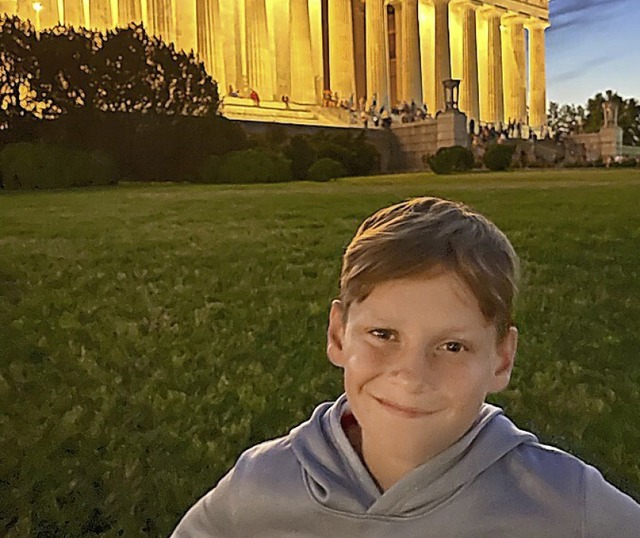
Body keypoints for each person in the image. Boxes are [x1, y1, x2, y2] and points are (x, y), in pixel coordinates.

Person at [170, 197, 640, 537]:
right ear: (338, 335)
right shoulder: (261, 484)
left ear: (501, 360)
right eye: (384, 335)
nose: (412, 374)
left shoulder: (562, 500)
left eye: (452, 347)